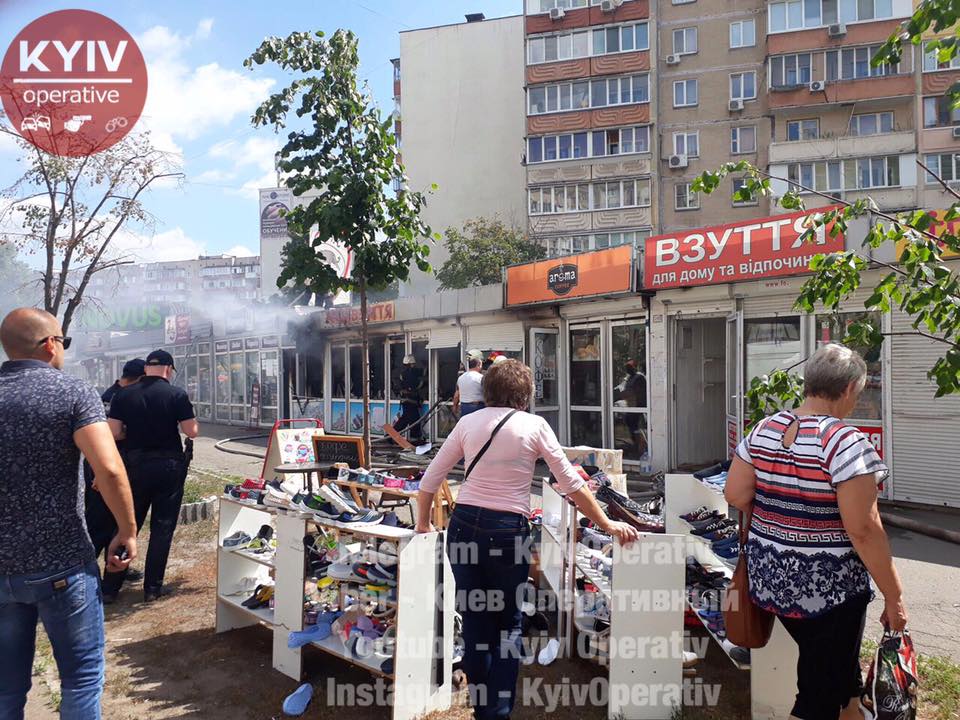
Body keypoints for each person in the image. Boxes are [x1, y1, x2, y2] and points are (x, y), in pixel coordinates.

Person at [416, 359, 639, 720]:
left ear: (487, 389)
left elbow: (430, 480)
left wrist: (424, 524)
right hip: (507, 530)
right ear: (526, 393)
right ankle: (496, 712)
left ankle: (481, 704)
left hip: (464, 525)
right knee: (507, 622)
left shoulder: (466, 424)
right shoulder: (535, 425)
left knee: (475, 615)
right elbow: (571, 484)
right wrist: (607, 523)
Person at [725, 343, 908, 720]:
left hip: (770, 581)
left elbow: (735, 493)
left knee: (835, 667)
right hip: (828, 594)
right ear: (848, 390)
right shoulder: (845, 442)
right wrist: (895, 596)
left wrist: (782, 516)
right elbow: (863, 529)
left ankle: (853, 709)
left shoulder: (765, 428)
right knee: (818, 696)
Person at [0, 308, 138, 719]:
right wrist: (127, 530)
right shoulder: (72, 392)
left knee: (5, 688)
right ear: (49, 345)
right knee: (80, 678)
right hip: (61, 566)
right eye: (64, 342)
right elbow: (110, 469)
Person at [102, 349, 199, 603]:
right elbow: (192, 431)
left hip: (134, 466)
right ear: (168, 369)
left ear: (146, 369)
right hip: (168, 466)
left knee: (126, 524)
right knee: (162, 528)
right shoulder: (176, 394)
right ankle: (152, 589)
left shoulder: (123, 395)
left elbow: (113, 433)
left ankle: (110, 587)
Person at [86, 358, 146, 562]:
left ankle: (116, 560)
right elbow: (112, 434)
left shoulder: (111, 393)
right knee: (100, 521)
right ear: (141, 378)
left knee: (114, 521)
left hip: (104, 462)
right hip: (105, 464)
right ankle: (91, 568)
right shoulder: (117, 397)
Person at [392, 353, 426, 444]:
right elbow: (418, 383)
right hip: (410, 400)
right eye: (413, 364)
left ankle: (415, 438)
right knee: (408, 419)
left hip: (407, 400)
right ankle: (391, 436)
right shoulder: (410, 373)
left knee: (412, 419)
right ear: (410, 364)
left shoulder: (402, 373)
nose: (414, 365)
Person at [452, 349, 485, 418]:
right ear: (479, 363)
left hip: (464, 408)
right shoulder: (481, 378)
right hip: (478, 408)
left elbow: (457, 395)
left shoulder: (460, 378)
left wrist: (454, 406)